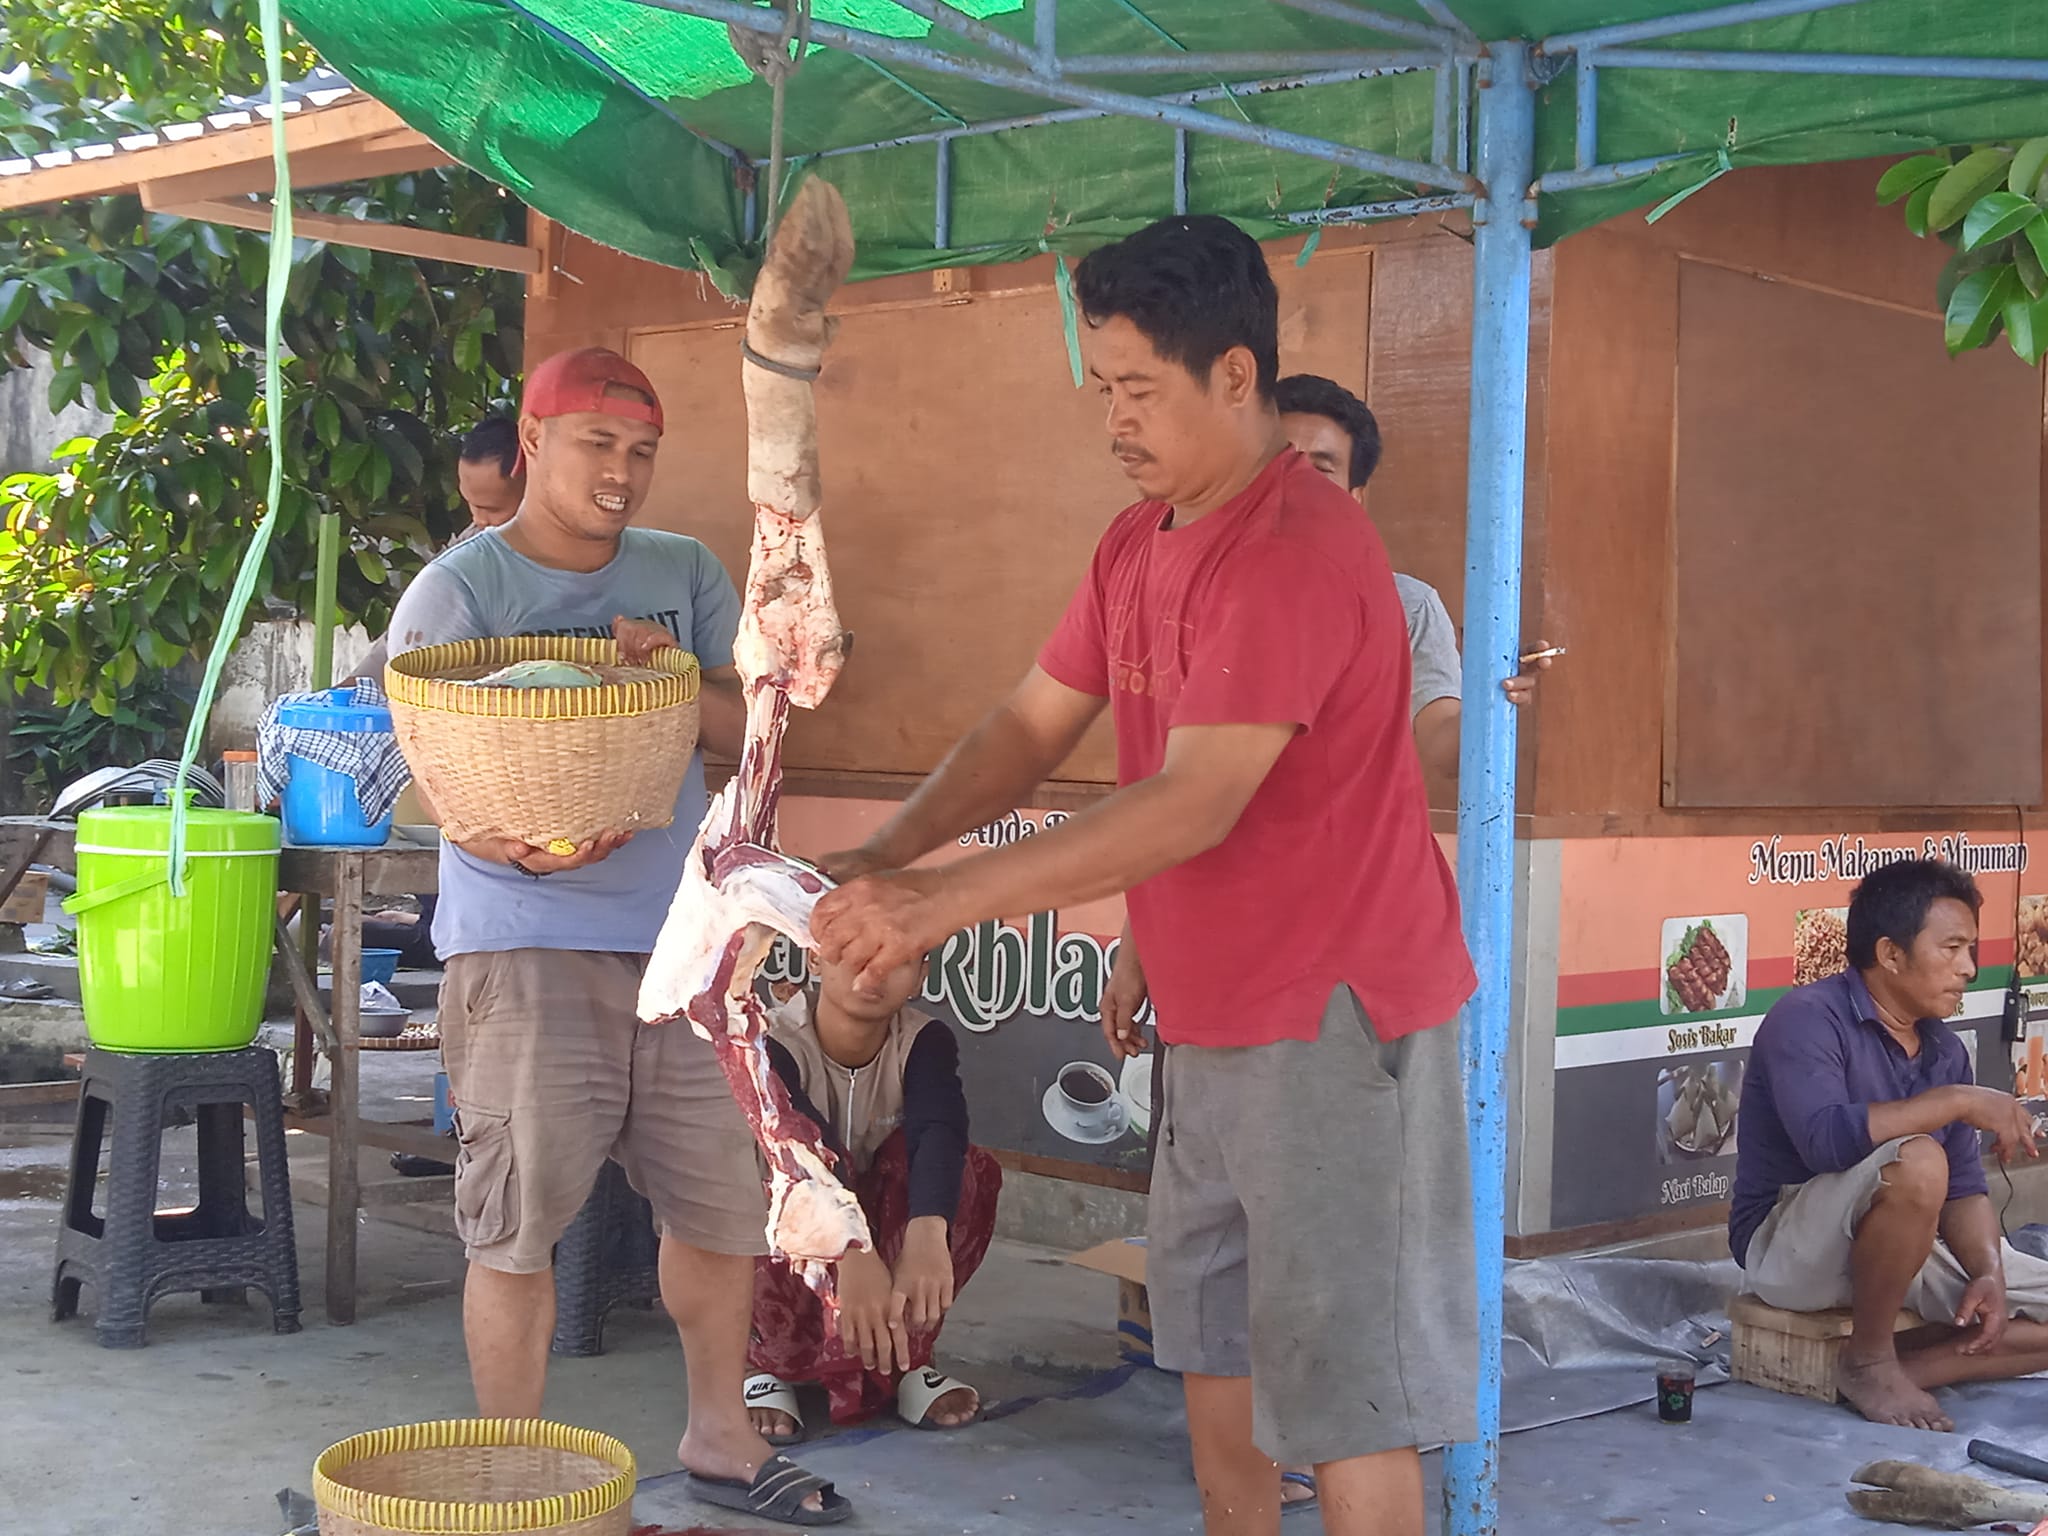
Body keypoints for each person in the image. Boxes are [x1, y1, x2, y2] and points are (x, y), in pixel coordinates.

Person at [810, 215, 1478, 1536]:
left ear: (1237, 378)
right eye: (1100, 387)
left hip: (1335, 1028)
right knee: (1214, 1369)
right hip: (1212, 1023)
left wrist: (937, 902)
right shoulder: (1136, 542)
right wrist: (884, 853)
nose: (1111, 419)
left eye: (1137, 390)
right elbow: (1026, 728)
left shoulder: (1296, 544)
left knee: (1346, 1402)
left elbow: (1194, 799)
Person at [385, 346, 843, 1524]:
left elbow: (759, 722)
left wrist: (678, 672)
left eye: (640, 453)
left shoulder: (680, 571)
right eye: (598, 445)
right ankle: (517, 1475)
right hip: (524, 944)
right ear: (535, 442)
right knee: (518, 1219)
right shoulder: (461, 592)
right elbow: (420, 778)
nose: (622, 473)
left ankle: (719, 1436)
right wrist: (505, 845)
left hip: (682, 942)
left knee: (719, 1208)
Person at [1733, 857, 2048, 1432]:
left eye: (1970, 950)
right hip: (1789, 1251)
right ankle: (1872, 1359)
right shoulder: (1805, 1019)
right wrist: (1956, 1101)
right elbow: (1827, 1143)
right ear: (1890, 954)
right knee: (1917, 1159)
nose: (1969, 969)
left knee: (1944, 1186)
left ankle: (1914, 1365)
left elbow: (1966, 1190)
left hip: (1906, 1249)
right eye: (1951, 949)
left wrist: (1988, 1275)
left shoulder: (1943, 1048)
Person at [743, 952, 1000, 1442]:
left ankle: (904, 1362)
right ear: (816, 959)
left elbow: (938, 1130)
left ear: (921, 976)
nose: (873, 974)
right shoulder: (771, 1040)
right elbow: (805, 1147)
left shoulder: (923, 1040)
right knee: (756, 1171)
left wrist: (927, 1232)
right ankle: (762, 1362)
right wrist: (853, 1248)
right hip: (798, 1217)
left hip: (875, 1221)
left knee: (966, 1171)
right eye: (854, 953)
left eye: (898, 960)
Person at [1275, 373, 1547, 782]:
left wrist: (1491, 698)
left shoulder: (1406, 606)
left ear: (1354, 498)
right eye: (1281, 465)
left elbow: (1442, 750)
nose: (1295, 488)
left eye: (1321, 470)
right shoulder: (1187, 589)